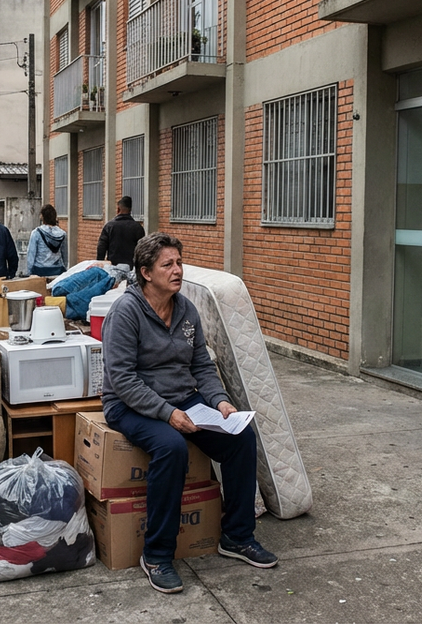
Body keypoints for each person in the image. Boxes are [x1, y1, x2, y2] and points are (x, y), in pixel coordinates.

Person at [102, 232, 276, 594]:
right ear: (146, 272)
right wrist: (167, 414)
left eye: (179, 262)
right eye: (168, 264)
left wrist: (220, 402)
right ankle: (157, 554)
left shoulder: (186, 310)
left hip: (183, 399)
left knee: (240, 436)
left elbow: (201, 366)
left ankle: (237, 536)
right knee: (172, 447)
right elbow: (122, 378)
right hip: (129, 404)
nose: (178, 270)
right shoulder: (126, 311)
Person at [96, 196, 145, 268]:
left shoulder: (109, 226)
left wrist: (99, 264)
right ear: (130, 210)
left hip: (113, 267)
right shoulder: (137, 227)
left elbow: (101, 247)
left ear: (118, 209)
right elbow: (142, 249)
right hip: (131, 269)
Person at [26, 204, 68, 277]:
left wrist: (29, 272)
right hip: (58, 269)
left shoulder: (36, 233)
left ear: (42, 216)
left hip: (39, 270)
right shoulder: (63, 234)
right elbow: (65, 254)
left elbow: (31, 254)